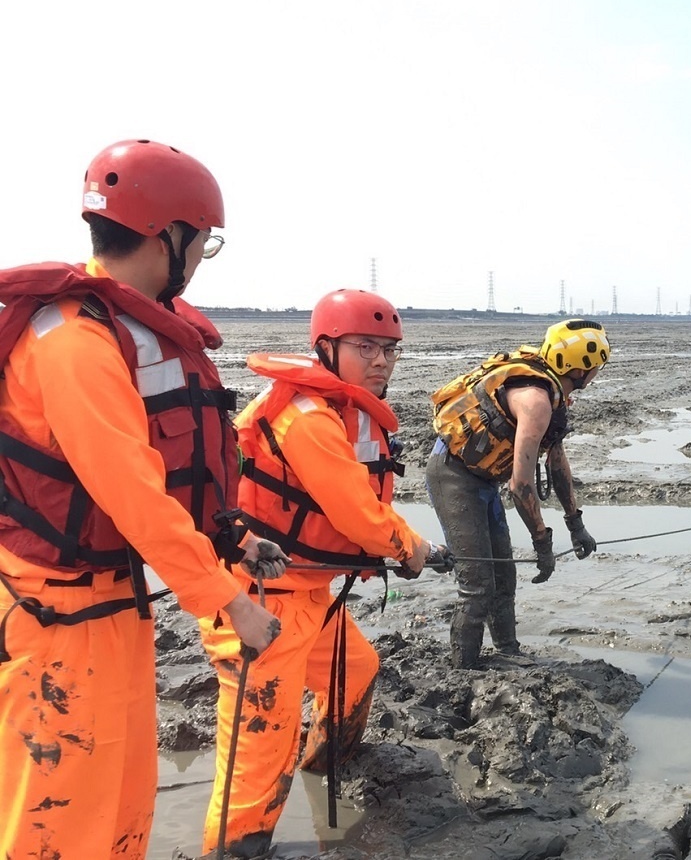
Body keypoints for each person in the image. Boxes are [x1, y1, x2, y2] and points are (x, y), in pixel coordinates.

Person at [0, 139, 282, 860]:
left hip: (111, 606)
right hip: (56, 622)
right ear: (169, 237)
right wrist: (232, 601)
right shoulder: (73, 340)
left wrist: (237, 540)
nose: (198, 260)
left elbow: (166, 478)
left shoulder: (119, 330)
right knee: (59, 825)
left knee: (123, 808)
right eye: (202, 243)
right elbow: (132, 493)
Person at [198, 289, 452, 857]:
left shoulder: (344, 412)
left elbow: (365, 508)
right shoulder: (307, 417)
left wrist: (421, 547)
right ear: (325, 348)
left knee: (355, 671)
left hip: (307, 594)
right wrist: (411, 548)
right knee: (259, 756)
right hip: (258, 598)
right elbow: (358, 515)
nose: (381, 360)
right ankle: (236, 848)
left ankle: (323, 766)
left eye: (390, 349)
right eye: (366, 347)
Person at [426, 319, 610, 670]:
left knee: (504, 577)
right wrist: (542, 543)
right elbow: (521, 486)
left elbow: (557, 463)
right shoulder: (536, 401)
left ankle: (508, 652)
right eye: (596, 368)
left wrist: (576, 524)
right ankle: (462, 670)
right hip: (452, 474)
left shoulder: (553, 392)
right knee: (477, 583)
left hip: (483, 480)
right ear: (583, 368)